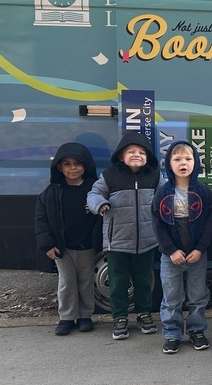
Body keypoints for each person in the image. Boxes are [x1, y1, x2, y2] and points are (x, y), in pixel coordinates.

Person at [87, 132, 162, 341]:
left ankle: (144, 314)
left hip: (146, 241)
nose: (136, 155)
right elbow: (93, 194)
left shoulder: (154, 176)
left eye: (141, 152)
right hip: (116, 242)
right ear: (121, 156)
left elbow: (165, 197)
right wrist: (99, 204)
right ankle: (119, 317)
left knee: (144, 280)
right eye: (131, 152)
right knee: (118, 282)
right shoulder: (110, 176)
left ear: (148, 157)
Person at [152, 140, 212, 354]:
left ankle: (197, 330)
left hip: (197, 255)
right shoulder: (162, 193)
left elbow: (210, 223)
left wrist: (200, 248)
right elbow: (158, 224)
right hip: (171, 257)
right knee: (172, 297)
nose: (183, 163)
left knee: (198, 295)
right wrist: (170, 250)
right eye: (177, 159)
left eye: (188, 159)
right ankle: (172, 332)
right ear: (168, 163)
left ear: (195, 163)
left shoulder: (204, 192)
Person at [35, 142, 100, 336]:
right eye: (67, 164)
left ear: (86, 166)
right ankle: (66, 317)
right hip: (63, 248)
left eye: (78, 163)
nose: (73, 168)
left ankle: (85, 316)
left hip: (88, 246)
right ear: (59, 168)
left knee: (86, 281)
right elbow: (41, 220)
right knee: (66, 281)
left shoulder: (93, 190)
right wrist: (47, 244)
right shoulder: (52, 193)